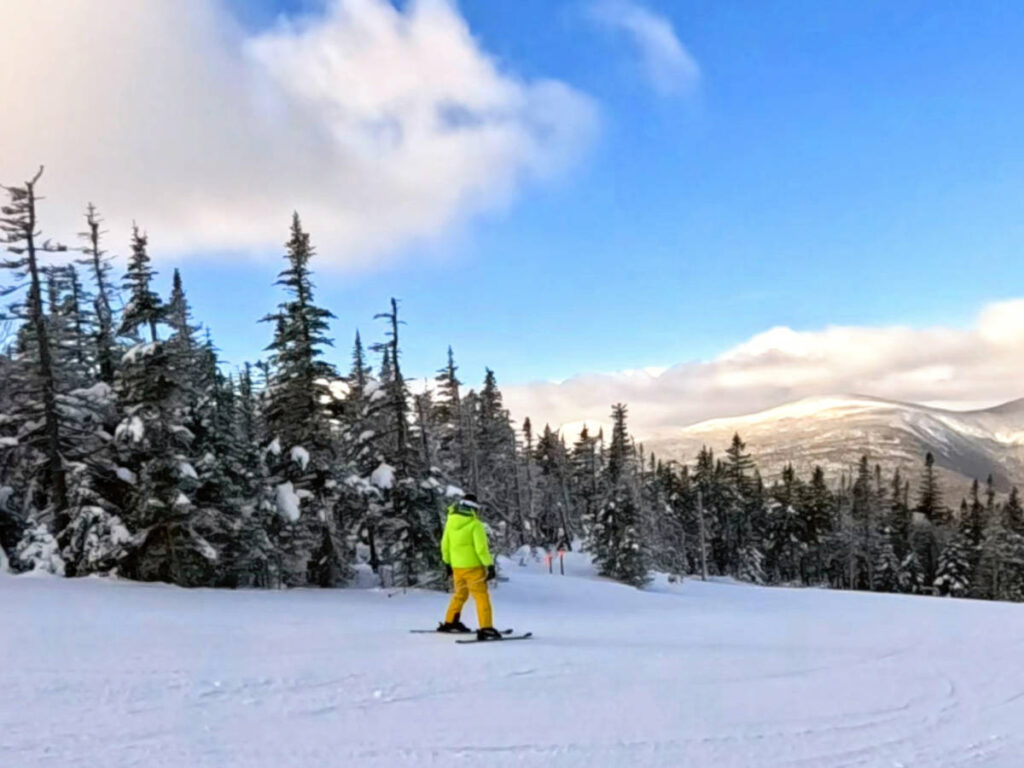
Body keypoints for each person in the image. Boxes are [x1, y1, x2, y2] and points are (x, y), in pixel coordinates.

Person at [437, 493, 502, 641]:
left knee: (460, 595)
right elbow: (481, 549)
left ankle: (450, 622)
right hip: (473, 568)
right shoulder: (475, 524)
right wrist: (489, 565)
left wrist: (447, 563)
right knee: (481, 596)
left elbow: (444, 545)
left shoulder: (450, 522)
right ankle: (486, 628)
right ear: (473, 509)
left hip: (457, 567)